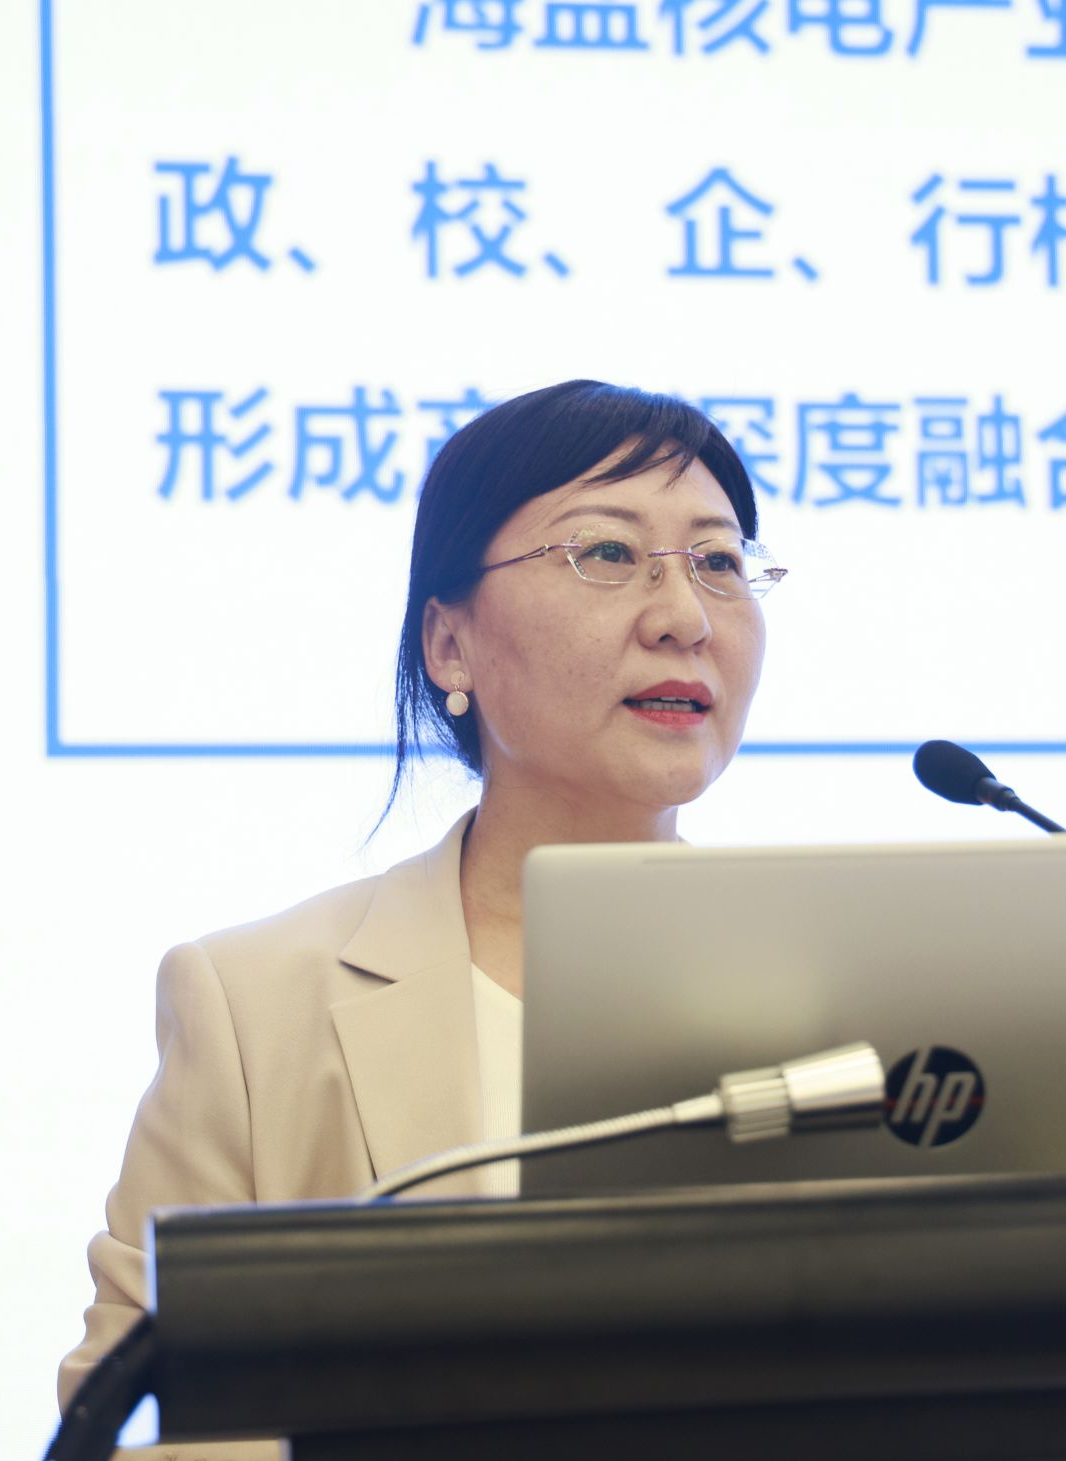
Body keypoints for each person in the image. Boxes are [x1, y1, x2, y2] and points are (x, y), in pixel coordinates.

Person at [56, 381, 780, 1450]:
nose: (685, 616)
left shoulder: (835, 1000)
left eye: (717, 561)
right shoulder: (254, 1008)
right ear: (448, 645)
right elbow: (139, 1419)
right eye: (607, 552)